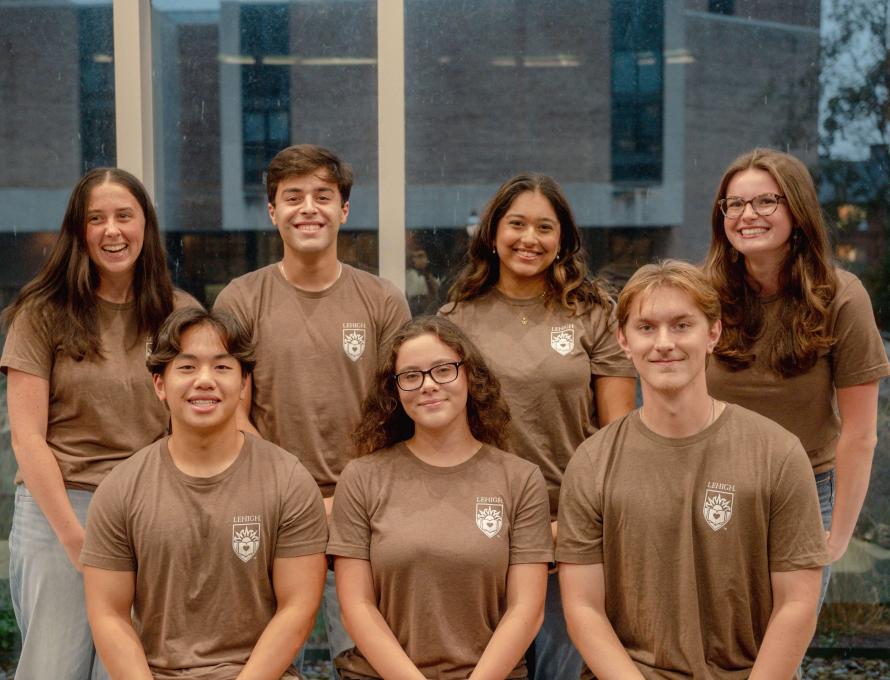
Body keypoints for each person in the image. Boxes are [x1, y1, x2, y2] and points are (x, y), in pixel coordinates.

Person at [557, 260, 829, 679]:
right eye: (646, 327)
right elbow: (583, 609)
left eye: (682, 325)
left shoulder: (777, 453)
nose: (664, 342)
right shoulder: (592, 464)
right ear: (622, 341)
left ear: (713, 334)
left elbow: (797, 603)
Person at [213, 143, 411, 673]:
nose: (309, 208)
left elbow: (399, 411)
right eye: (292, 196)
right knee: (265, 666)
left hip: (366, 516)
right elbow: (229, 412)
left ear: (344, 210)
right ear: (272, 210)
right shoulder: (240, 299)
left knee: (369, 662)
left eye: (323, 196)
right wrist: (300, 498)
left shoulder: (382, 300)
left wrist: (346, 500)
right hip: (269, 511)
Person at [1, 168, 197, 678]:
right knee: (54, 667)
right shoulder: (41, 314)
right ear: (79, 232)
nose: (112, 230)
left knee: (131, 669)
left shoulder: (180, 314)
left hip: (150, 512)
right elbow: (27, 439)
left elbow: (203, 423)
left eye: (124, 216)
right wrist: (73, 537)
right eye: (96, 219)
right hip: (60, 508)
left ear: (145, 227)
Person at [442, 173, 636, 678]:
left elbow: (619, 436)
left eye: (545, 228)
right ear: (492, 233)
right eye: (517, 224)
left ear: (563, 240)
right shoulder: (457, 318)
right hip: (483, 522)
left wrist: (574, 524)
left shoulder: (594, 314)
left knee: (562, 665)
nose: (530, 238)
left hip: (570, 520)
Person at [81, 308, 327, 679]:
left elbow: (298, 608)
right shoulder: (121, 489)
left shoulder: (289, 481)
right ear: (159, 384)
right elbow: (108, 615)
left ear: (244, 383)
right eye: (187, 367)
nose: (205, 380)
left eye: (223, 367)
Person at [704, 148, 890, 602]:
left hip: (805, 490)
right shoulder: (700, 293)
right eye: (735, 204)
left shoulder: (842, 297)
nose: (747, 215)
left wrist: (838, 536)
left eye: (766, 201)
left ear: (798, 210)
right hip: (712, 486)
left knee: (783, 649)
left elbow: (861, 435)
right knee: (710, 640)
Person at [328, 316, 553, 679]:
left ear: (470, 376)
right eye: (412, 376)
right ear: (395, 390)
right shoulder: (362, 478)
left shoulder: (520, 479)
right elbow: (357, 607)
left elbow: (525, 610)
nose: (428, 385)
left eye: (443, 370)